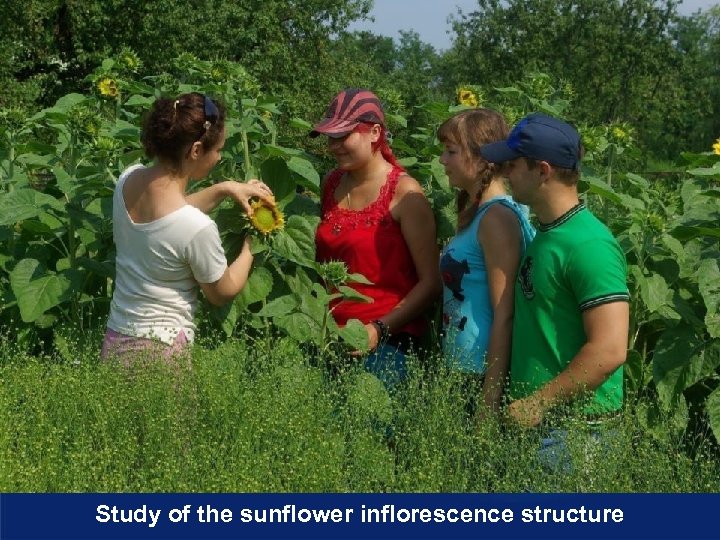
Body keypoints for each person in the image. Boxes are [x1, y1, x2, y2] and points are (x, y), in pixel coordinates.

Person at [479, 113, 629, 458]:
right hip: (545, 427)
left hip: (576, 434)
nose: (505, 172)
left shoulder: (589, 245)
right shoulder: (549, 233)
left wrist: (538, 403)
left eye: (513, 164)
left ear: (542, 171)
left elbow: (609, 349)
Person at [101, 92, 274, 365]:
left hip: (115, 341)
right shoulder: (197, 228)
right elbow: (221, 292)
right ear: (195, 150)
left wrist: (224, 189)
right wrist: (253, 243)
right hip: (162, 352)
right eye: (217, 150)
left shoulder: (127, 180)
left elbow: (167, 224)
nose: (218, 158)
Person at [311, 88, 441, 388]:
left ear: (375, 132)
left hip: (386, 345)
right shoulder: (332, 183)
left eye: (344, 136)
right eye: (332, 138)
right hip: (329, 334)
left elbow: (431, 282)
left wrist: (378, 329)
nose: (335, 146)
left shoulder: (405, 194)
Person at [437, 109, 535, 415]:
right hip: (464, 368)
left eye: (451, 151)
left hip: (478, 374)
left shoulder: (497, 218)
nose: (442, 160)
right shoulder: (480, 213)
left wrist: (489, 403)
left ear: (482, 160)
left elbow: (504, 313)